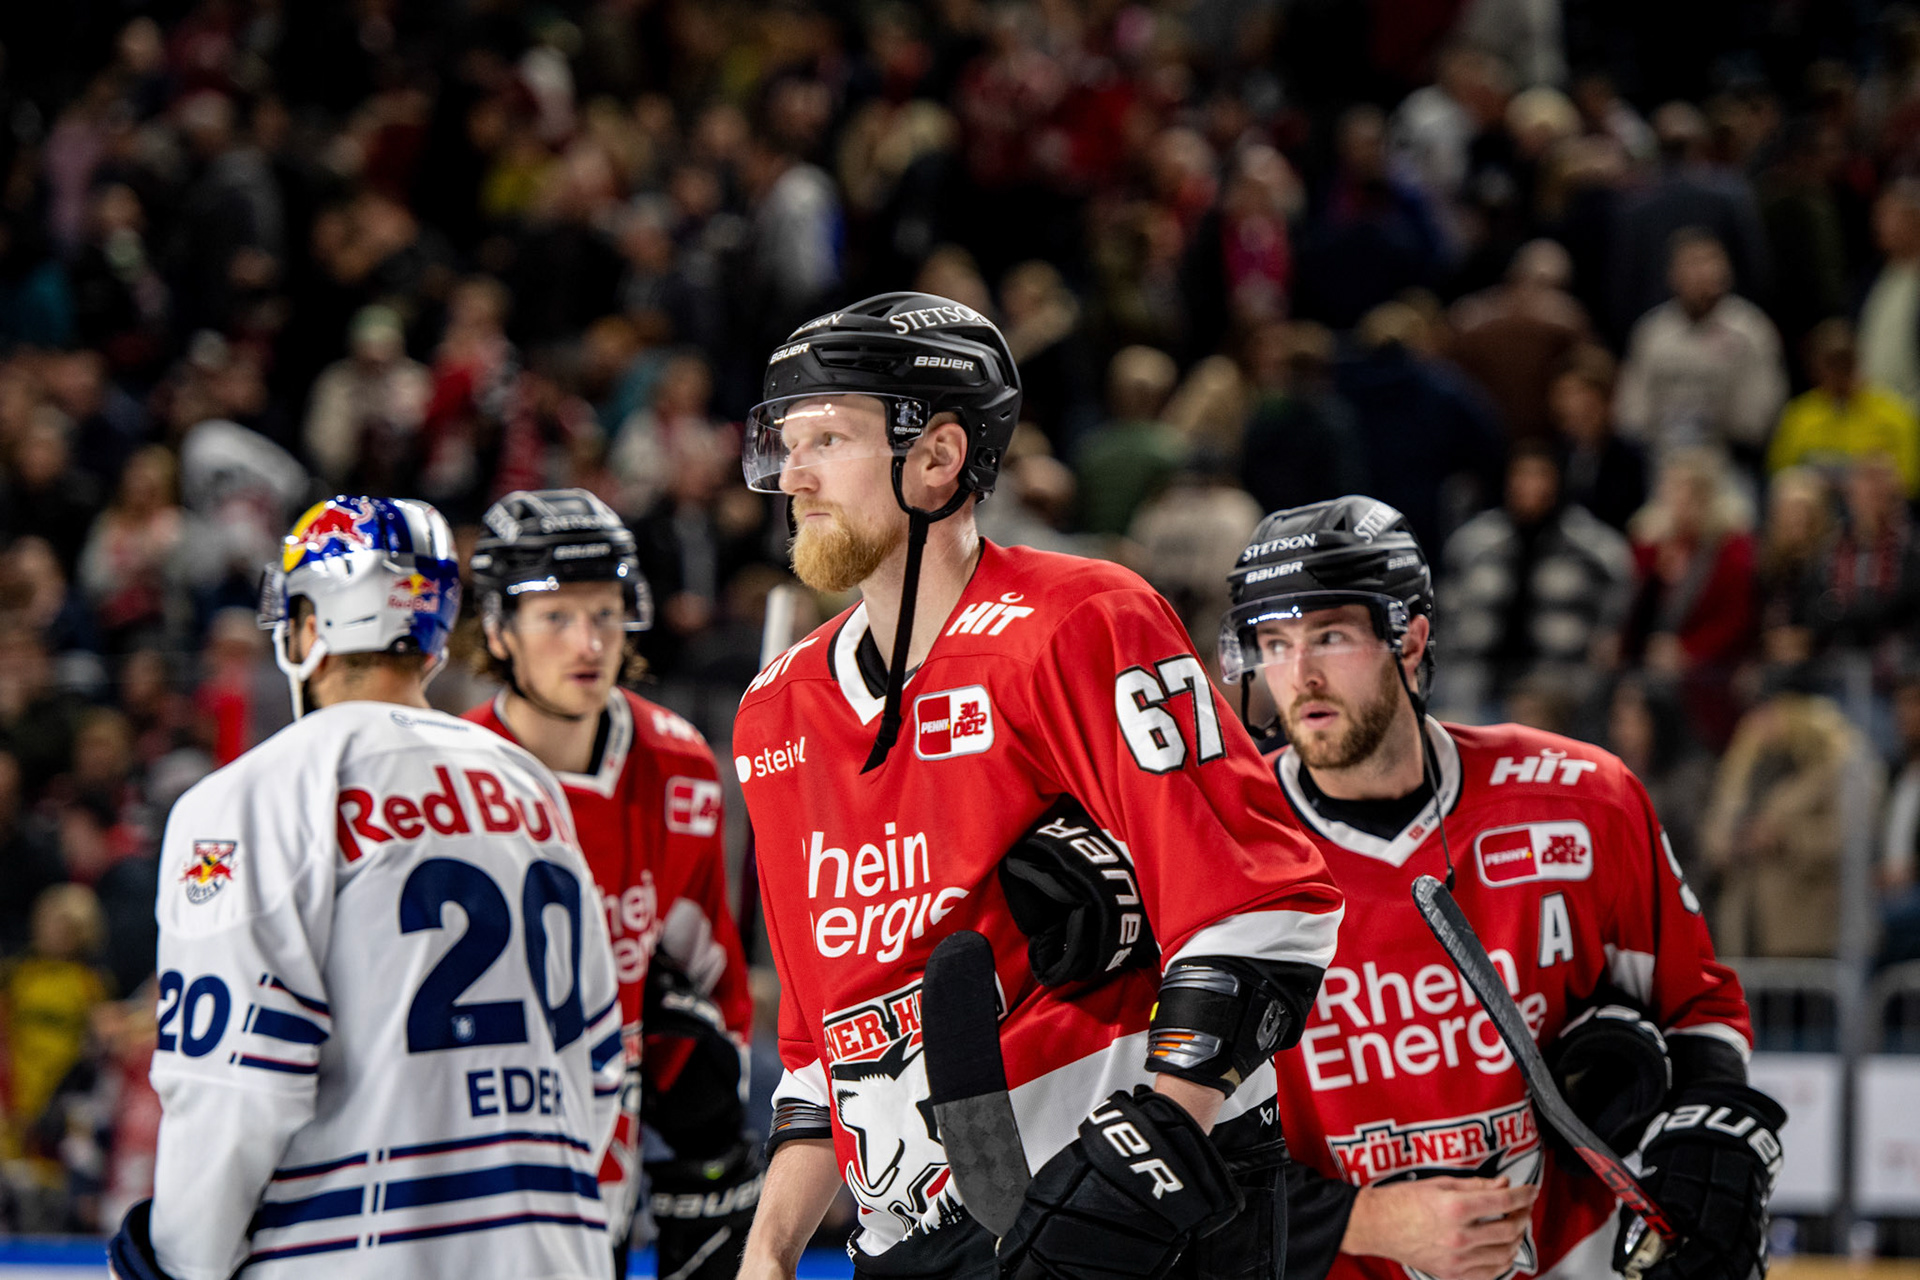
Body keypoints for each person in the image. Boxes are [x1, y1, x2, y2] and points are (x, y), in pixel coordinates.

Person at [733, 292, 1344, 1280]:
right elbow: (821, 1051)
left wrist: (1146, 1162)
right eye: (784, 442)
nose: (791, 476)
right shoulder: (776, 713)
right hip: (918, 1237)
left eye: (828, 440)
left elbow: (1263, 910)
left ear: (935, 459)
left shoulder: (1078, 620)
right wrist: (769, 1250)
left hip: (1127, 1215)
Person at [1216, 496, 1781, 1280]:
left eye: (1332, 635)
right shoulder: (1219, 846)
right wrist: (1361, 1221)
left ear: (1409, 639)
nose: (1299, 673)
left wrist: (1708, 1138)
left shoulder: (1585, 798)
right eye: (1273, 643)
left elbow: (1699, 1008)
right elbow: (1174, 1157)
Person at [105, 495, 623, 1280]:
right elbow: (599, 1062)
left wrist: (180, 1263)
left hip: (356, 1247)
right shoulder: (527, 783)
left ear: (311, 625)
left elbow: (233, 1078)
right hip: (554, 1244)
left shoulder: (250, 796)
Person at [460, 487, 757, 1279]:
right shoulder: (446, 779)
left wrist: (708, 1123)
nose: (588, 641)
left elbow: (709, 967)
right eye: (555, 618)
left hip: (609, 1149)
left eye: (604, 613)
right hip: (465, 1154)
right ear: (498, 630)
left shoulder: (678, 765)